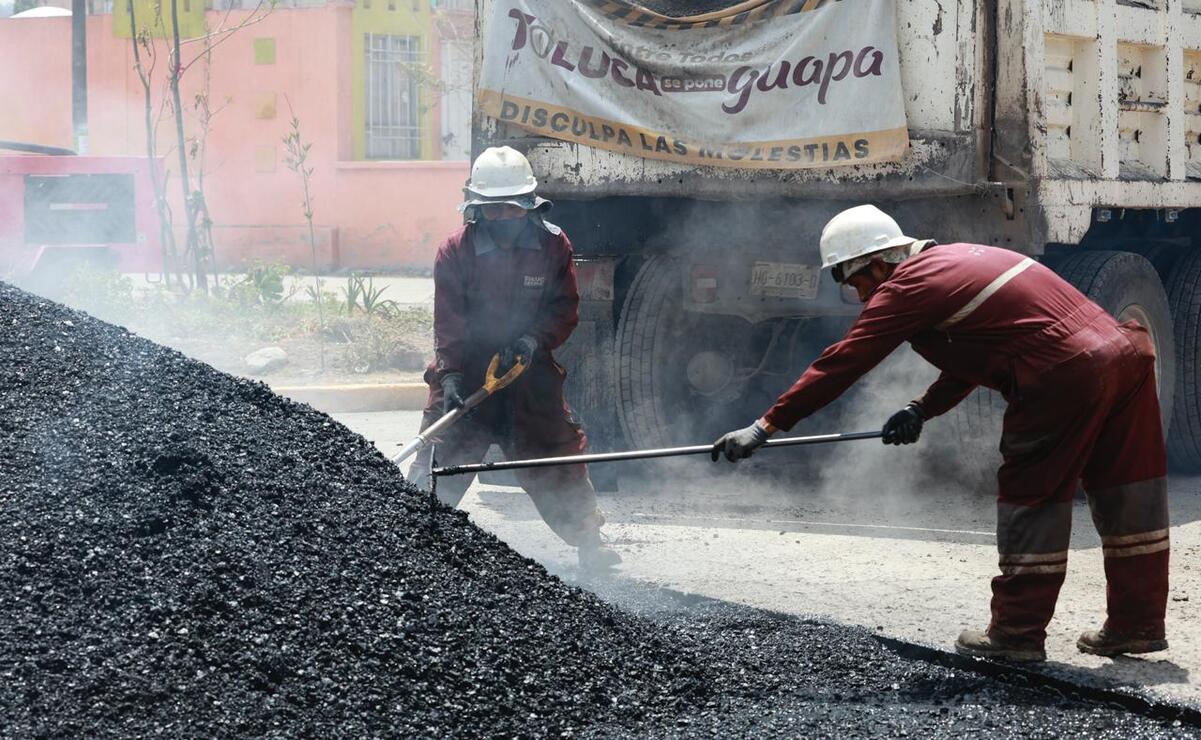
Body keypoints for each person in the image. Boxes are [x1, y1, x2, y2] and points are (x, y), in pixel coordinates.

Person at [711, 204, 1170, 662]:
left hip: (1063, 372)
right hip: (1123, 355)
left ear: (877, 263)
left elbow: (843, 361)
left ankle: (1016, 634)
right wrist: (921, 408)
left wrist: (765, 426)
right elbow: (990, 350)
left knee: (1033, 498)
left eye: (855, 283)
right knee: (1129, 492)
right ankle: (1137, 624)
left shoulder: (908, 285)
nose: (859, 297)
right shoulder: (957, 261)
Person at [408, 146, 621, 572]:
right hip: (467, 374)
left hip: (529, 377)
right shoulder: (455, 251)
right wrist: (449, 378)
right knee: (439, 459)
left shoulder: (552, 245)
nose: (503, 217)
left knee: (557, 458)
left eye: (511, 208)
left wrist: (531, 339)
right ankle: (408, 545)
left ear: (528, 205)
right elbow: (447, 321)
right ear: (477, 209)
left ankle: (589, 543)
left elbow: (564, 308)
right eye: (494, 210)